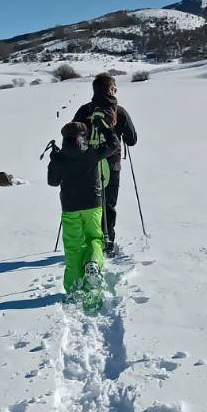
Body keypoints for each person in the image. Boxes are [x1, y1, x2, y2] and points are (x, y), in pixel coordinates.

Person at [47, 118, 119, 296]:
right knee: (95, 238)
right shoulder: (92, 153)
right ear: (84, 136)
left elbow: (53, 182)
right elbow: (114, 145)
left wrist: (54, 159)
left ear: (65, 138)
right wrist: (105, 128)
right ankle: (93, 263)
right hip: (93, 206)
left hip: (70, 208)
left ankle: (73, 286)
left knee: (73, 247)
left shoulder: (60, 158)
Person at [73, 73, 137, 255]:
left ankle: (90, 241)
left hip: (88, 164)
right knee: (108, 204)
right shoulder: (120, 112)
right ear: (112, 89)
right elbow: (132, 140)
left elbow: (72, 136)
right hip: (112, 163)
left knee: (89, 204)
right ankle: (107, 241)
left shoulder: (84, 110)